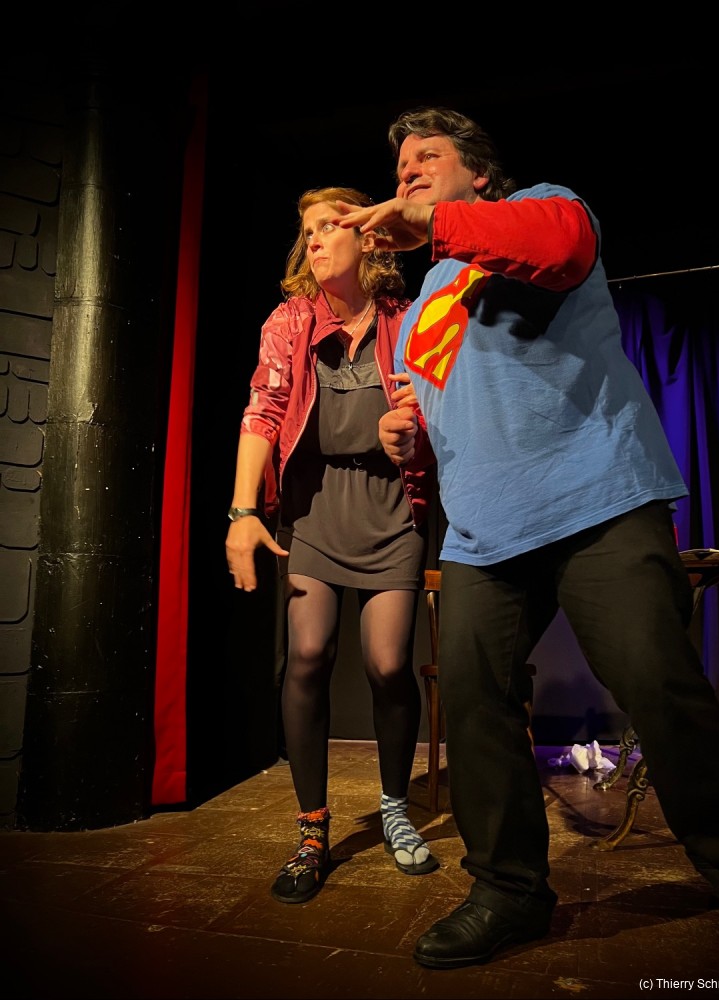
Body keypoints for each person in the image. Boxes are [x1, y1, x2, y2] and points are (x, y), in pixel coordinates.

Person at [335, 107, 719, 966]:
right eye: (401, 166)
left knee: (658, 683)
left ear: (479, 174)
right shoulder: (423, 307)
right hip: (483, 532)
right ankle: (508, 891)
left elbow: (559, 248)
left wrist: (436, 224)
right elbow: (442, 411)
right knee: (474, 705)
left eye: (429, 157)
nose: (408, 173)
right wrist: (406, 436)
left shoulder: (545, 209)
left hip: (597, 496)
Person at [225, 186, 438, 905]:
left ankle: (394, 807)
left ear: (368, 239)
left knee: (388, 664)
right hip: (314, 510)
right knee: (309, 655)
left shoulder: (405, 320)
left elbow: (437, 415)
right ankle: (312, 830)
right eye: (307, 231)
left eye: (329, 226)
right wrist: (242, 511)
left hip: (390, 510)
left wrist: (412, 431)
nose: (314, 240)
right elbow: (263, 411)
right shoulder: (290, 321)